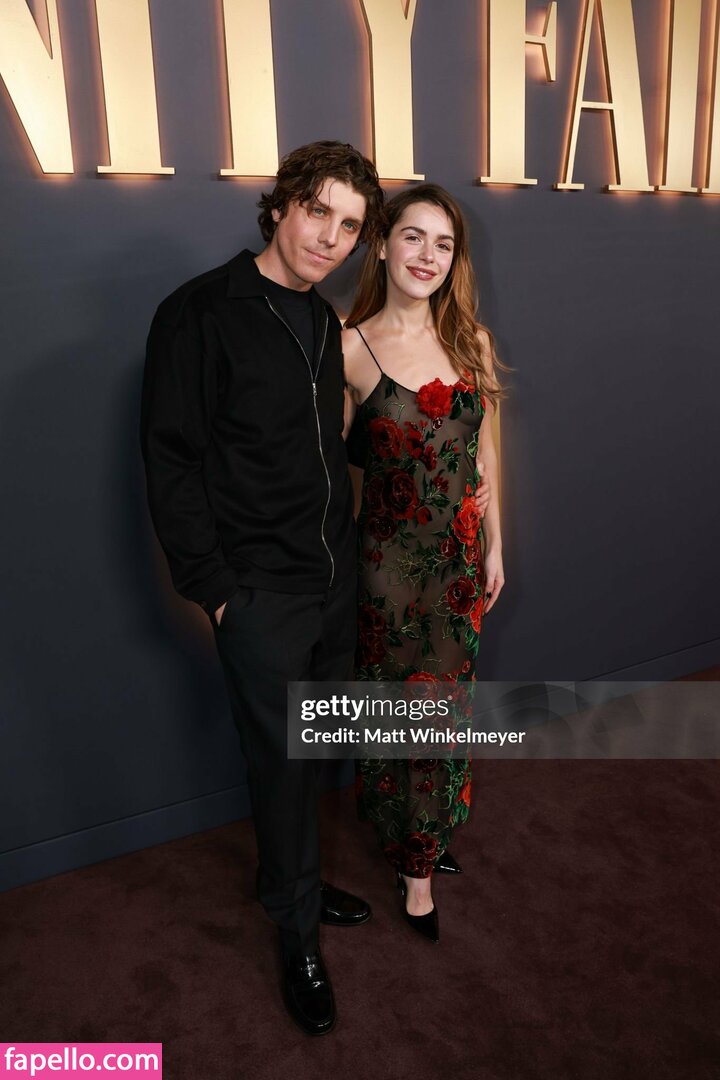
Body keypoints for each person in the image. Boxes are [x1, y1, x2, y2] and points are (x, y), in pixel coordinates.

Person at [140, 141, 386, 1036]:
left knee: (314, 751)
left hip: (331, 580)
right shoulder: (200, 311)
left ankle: (294, 881)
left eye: (349, 226)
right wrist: (215, 590)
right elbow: (171, 459)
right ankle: (298, 933)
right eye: (318, 211)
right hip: (258, 594)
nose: (330, 238)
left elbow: (318, 450)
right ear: (281, 206)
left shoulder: (322, 319)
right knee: (280, 766)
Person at [343, 184, 505, 943]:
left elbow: (484, 452)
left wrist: (495, 542)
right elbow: (328, 471)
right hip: (389, 573)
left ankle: (427, 836)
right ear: (382, 245)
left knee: (445, 712)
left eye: (443, 244)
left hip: (459, 569)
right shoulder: (350, 347)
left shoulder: (471, 339)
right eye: (413, 237)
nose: (427, 256)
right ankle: (414, 870)